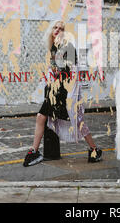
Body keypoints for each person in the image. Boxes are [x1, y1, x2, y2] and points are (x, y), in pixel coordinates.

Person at [23, 20, 103, 167]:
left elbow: (73, 73)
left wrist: (70, 96)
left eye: (61, 28)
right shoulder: (54, 48)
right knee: (42, 117)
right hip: (54, 92)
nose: (57, 30)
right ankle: (34, 150)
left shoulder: (69, 47)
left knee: (76, 120)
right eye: (55, 27)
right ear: (52, 30)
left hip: (64, 93)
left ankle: (94, 149)